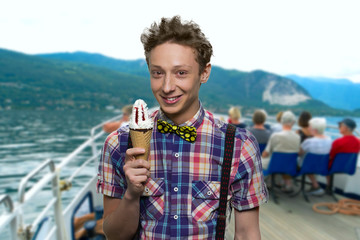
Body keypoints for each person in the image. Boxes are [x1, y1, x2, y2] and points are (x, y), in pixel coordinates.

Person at [97, 16, 268, 239]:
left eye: (181, 73)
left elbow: (247, 234)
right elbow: (113, 235)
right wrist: (132, 194)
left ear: (204, 73)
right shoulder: (118, 143)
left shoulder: (238, 145)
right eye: (158, 73)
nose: (167, 87)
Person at [262, 111, 300, 193]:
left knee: (259, 161)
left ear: (281, 121)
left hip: (274, 165)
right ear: (293, 123)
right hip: (289, 166)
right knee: (282, 160)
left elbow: (265, 154)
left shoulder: (275, 136)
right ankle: (286, 184)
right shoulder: (297, 137)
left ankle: (264, 184)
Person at [299, 118, 332, 195]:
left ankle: (315, 186)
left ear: (315, 129)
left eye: (309, 126)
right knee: (311, 162)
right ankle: (328, 186)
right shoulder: (329, 139)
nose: (308, 128)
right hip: (323, 166)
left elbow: (299, 153)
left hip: (308, 167)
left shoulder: (308, 141)